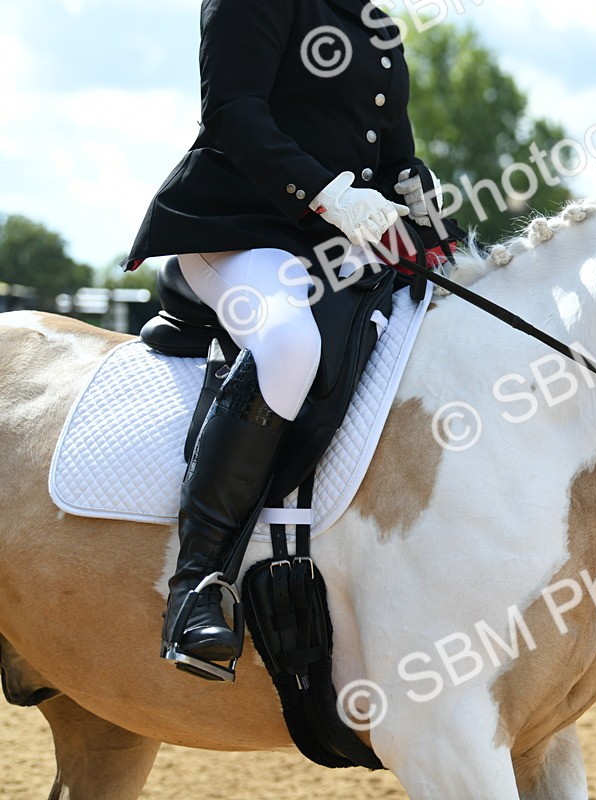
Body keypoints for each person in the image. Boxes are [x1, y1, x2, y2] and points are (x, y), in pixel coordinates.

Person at [122, 0, 437, 678]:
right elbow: (233, 113)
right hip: (234, 232)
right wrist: (331, 194)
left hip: (331, 246)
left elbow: (390, 150)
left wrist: (419, 210)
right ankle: (198, 583)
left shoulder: (371, 16)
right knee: (290, 343)